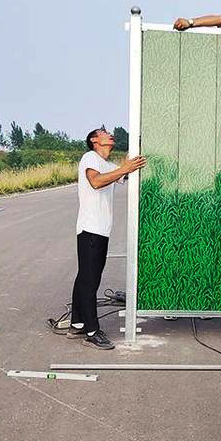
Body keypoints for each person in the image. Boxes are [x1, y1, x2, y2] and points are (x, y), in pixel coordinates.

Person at [67, 127, 146, 350]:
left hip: (100, 229)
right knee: (90, 280)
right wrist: (124, 168)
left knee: (85, 277)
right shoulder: (90, 158)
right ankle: (92, 331)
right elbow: (96, 181)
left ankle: (77, 323)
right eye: (104, 132)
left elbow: (123, 172)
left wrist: (133, 156)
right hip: (91, 229)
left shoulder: (107, 164)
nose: (110, 134)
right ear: (94, 140)